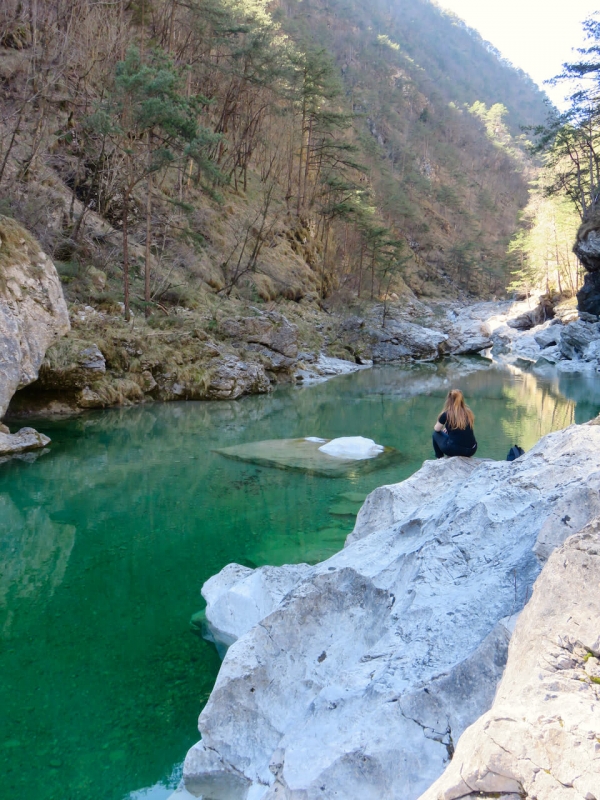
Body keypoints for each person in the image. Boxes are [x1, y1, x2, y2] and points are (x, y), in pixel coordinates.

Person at [432, 389, 477, 459]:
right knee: (448, 434)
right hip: (472, 449)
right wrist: (448, 428)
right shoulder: (468, 412)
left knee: (435, 434)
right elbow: (463, 429)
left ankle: (439, 458)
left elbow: (437, 429)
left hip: (455, 450)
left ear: (449, 400)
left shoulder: (446, 414)